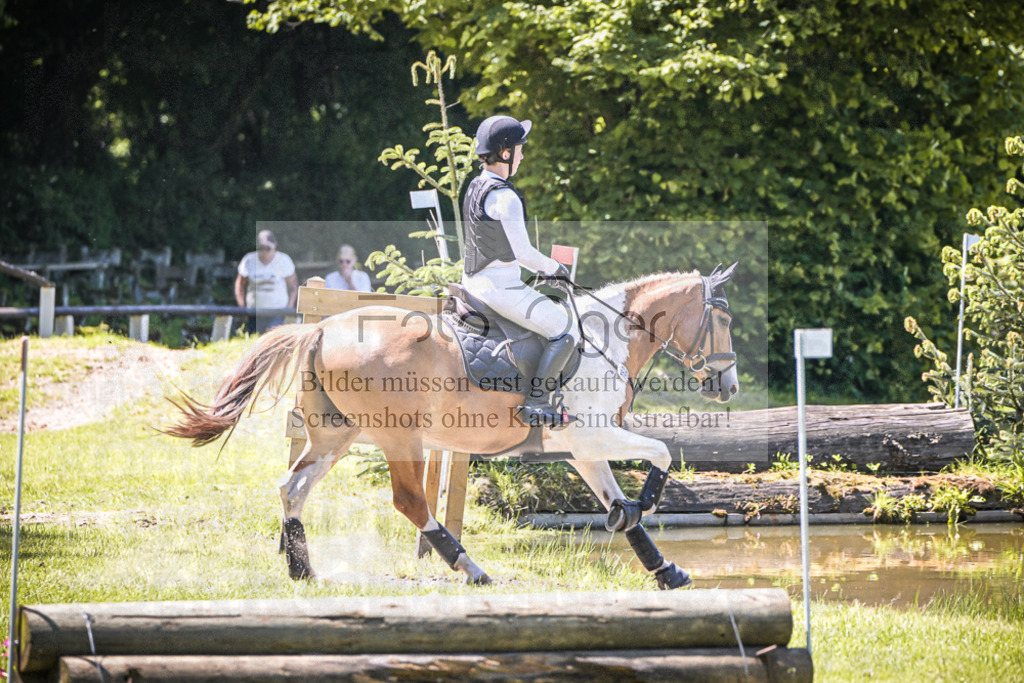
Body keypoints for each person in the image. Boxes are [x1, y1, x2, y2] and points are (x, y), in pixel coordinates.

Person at [462, 115, 580, 428]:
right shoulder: (505, 196)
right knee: (565, 330)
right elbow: (524, 254)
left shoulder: (475, 186)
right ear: (504, 153)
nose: (523, 154)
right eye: (519, 148)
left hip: (472, 282)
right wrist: (557, 268)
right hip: (498, 287)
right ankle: (538, 402)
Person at [234, 229, 297, 333]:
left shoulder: (284, 260)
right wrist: (242, 308)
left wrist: (288, 310)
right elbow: (240, 285)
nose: (264, 252)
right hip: (253, 312)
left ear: (275, 245)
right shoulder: (248, 260)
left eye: (268, 248)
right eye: (261, 248)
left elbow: (293, 287)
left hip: (278, 312)